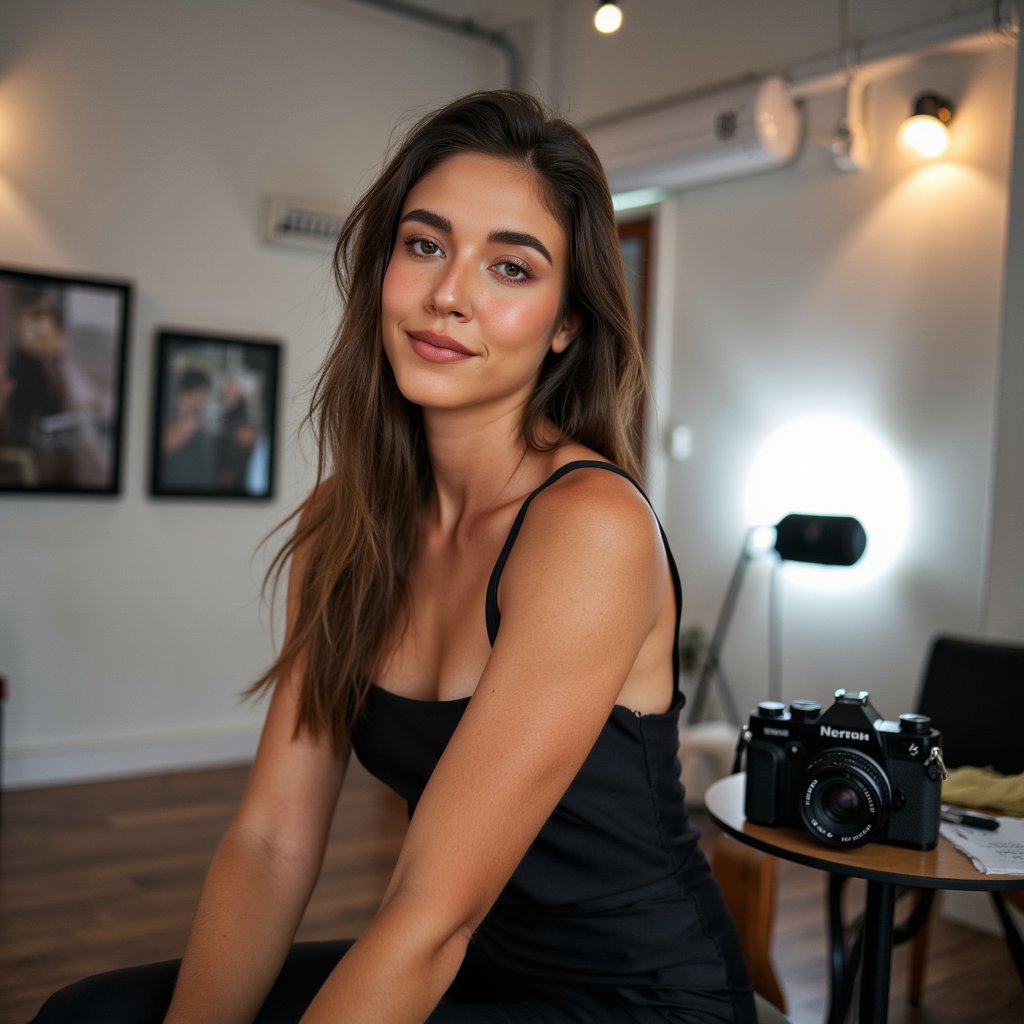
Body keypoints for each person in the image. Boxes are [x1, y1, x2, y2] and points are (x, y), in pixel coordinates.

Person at [30, 90, 756, 1023]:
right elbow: (270, 844)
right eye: (425, 245)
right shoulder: (346, 519)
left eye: (509, 266)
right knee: (90, 1016)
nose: (449, 293)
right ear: (384, 267)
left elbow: (429, 917)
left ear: (567, 324)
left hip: (636, 998)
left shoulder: (588, 529)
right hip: (471, 966)